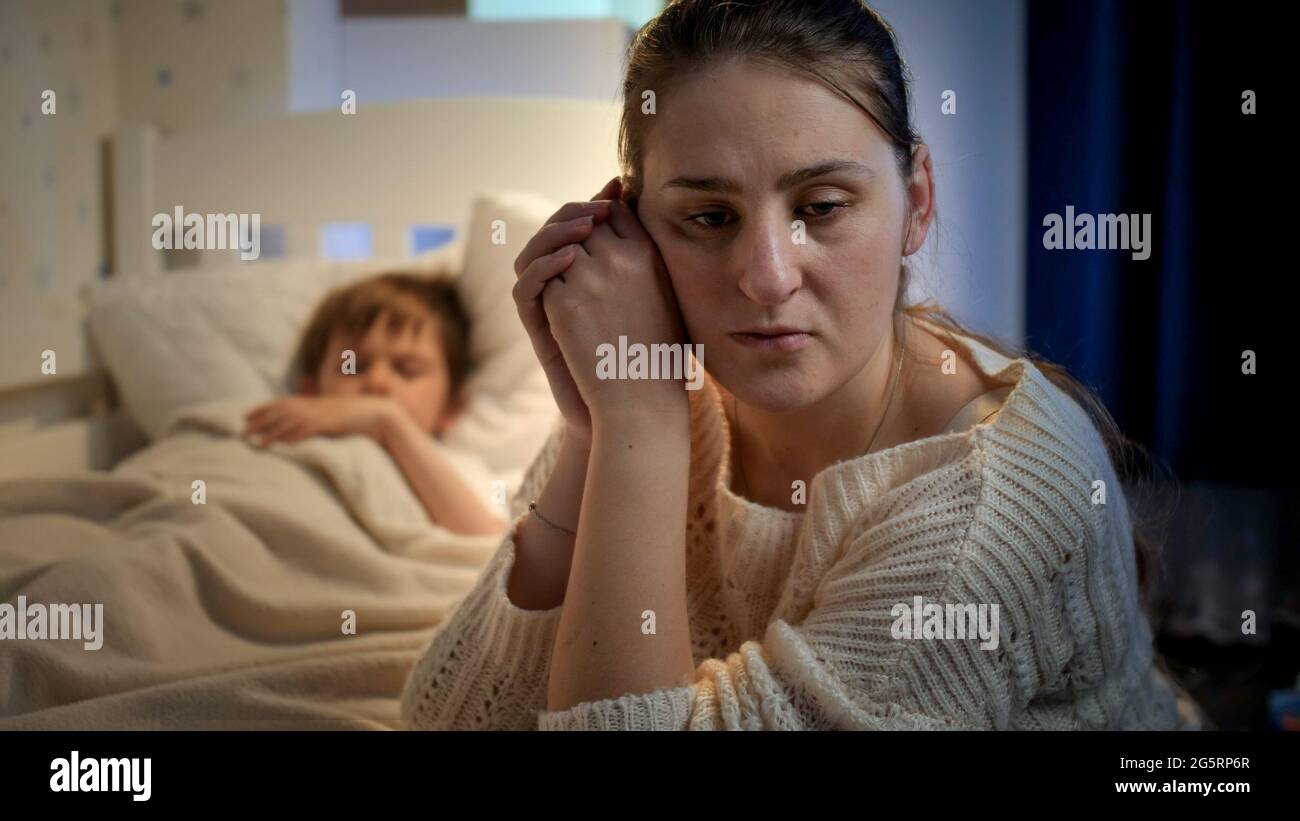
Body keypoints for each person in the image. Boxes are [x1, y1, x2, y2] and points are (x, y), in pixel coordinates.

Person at [400, 0, 1180, 729]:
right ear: (635, 233)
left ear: (918, 200)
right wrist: (593, 432)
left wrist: (637, 427)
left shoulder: (987, 508)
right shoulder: (675, 389)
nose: (769, 276)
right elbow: (450, 712)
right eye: (709, 217)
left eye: (822, 206)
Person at [244, 271, 502, 537]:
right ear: (309, 392)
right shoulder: (285, 433)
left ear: (451, 407)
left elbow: (491, 549)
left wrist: (389, 422)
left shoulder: (455, 468)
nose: (377, 381)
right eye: (353, 366)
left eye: (406, 369)